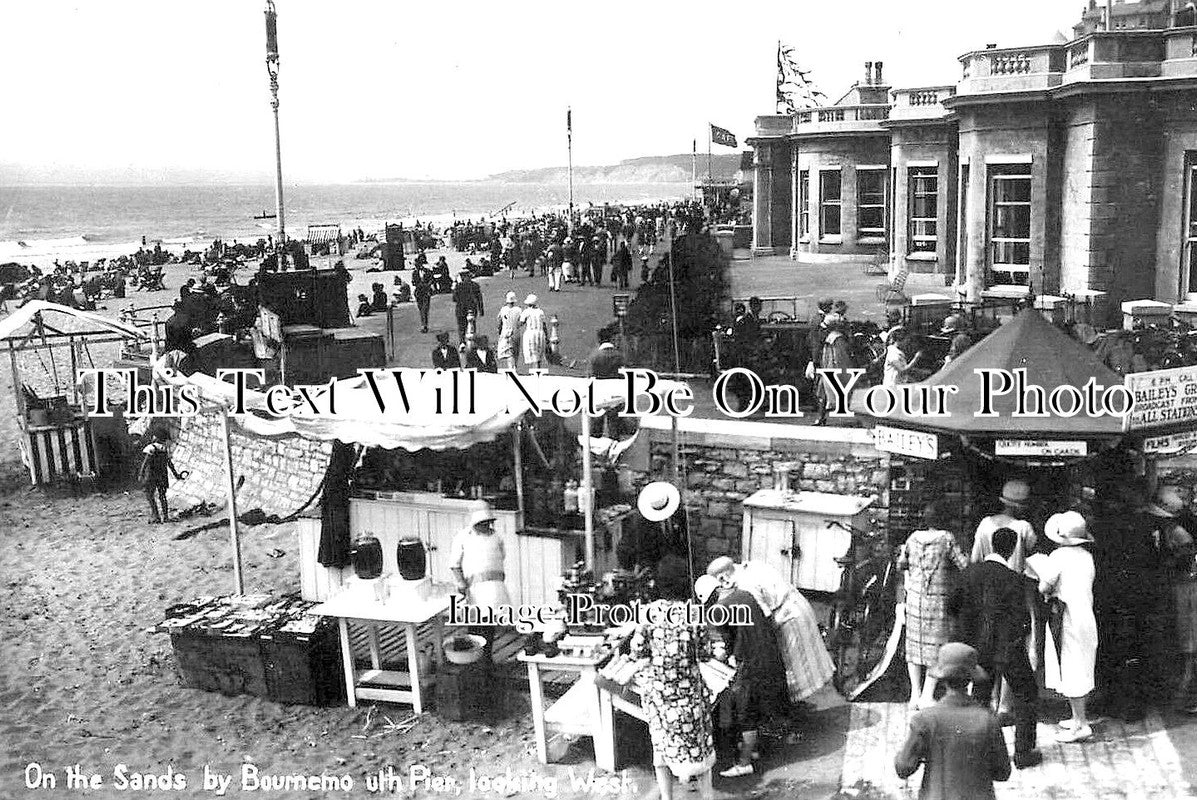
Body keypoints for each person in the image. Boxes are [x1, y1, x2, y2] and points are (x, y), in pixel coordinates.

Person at [951, 527, 1043, 769]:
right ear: (1012, 549)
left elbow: (952, 605)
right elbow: (1022, 619)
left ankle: (977, 751)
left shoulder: (969, 573)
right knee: (1026, 694)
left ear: (991, 545)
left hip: (978, 649)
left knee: (980, 696)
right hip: (1007, 648)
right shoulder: (1013, 579)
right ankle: (1023, 753)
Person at [628, 554, 716, 800]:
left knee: (662, 749)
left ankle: (667, 797)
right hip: (690, 696)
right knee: (700, 750)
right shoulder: (694, 615)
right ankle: (707, 797)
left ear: (659, 583)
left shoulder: (648, 613)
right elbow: (705, 653)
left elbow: (637, 650)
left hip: (660, 696)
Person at [706, 557, 835, 705]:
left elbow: (764, 618)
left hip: (789, 616)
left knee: (791, 665)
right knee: (800, 663)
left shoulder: (745, 585)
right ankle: (791, 705)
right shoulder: (751, 565)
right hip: (797, 604)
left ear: (723, 577)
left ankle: (790, 707)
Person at [697, 573, 788, 779]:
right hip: (771, 657)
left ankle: (744, 763)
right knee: (758, 707)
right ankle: (752, 749)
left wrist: (721, 654)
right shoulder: (744, 595)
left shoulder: (719, 611)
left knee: (746, 714)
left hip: (752, 664)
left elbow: (725, 648)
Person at [894, 642, 1011, 800]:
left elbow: (903, 768)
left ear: (943, 679)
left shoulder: (924, 720)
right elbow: (1002, 772)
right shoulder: (989, 721)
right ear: (971, 679)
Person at [1029, 510, 1098, 743]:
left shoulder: (1058, 557)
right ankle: (1077, 715)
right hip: (1086, 615)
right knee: (1083, 663)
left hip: (1067, 616)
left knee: (1071, 666)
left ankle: (1081, 724)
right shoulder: (1087, 556)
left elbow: (1044, 587)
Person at [899, 501, 970, 709]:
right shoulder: (947, 539)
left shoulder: (912, 538)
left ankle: (915, 694)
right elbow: (963, 565)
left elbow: (901, 564)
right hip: (938, 600)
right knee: (936, 646)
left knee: (914, 645)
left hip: (915, 598)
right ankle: (927, 696)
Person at [1145, 487, 1197, 713]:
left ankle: (1186, 696)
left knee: (1187, 646)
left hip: (1184, 594)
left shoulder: (1177, 534)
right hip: (1179, 592)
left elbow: (1185, 557)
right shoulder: (1169, 532)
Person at [449, 501, 511, 662]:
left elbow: (501, 557)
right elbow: (454, 565)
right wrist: (461, 583)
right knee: (476, 626)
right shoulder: (463, 537)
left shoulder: (496, 536)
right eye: (481, 523)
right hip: (475, 589)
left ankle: (487, 658)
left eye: (487, 522)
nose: (485, 525)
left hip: (494, 588)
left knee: (489, 625)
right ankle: (474, 659)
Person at [137, 429, 187, 524]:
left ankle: (156, 516)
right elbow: (170, 464)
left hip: (151, 476)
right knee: (162, 496)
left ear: (156, 437)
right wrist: (177, 475)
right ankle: (166, 517)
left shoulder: (151, 448)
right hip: (162, 476)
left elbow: (145, 462)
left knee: (149, 495)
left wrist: (141, 474)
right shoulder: (164, 449)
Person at [814, 318, 854, 426]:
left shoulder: (833, 338)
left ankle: (821, 417)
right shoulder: (836, 338)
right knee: (824, 393)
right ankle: (821, 417)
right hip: (831, 368)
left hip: (829, 368)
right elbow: (839, 357)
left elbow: (836, 356)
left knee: (824, 394)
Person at [452, 270, 484, 343]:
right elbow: (479, 299)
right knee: (472, 325)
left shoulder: (458, 286)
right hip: (472, 308)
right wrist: (481, 310)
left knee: (461, 327)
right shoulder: (475, 285)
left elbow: (454, 299)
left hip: (460, 309)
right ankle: (473, 341)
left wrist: (454, 286)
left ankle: (462, 342)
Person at [519, 295, 548, 373]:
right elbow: (544, 325)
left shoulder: (526, 312)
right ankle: (537, 370)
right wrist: (547, 336)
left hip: (530, 334)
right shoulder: (540, 311)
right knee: (538, 355)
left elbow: (521, 323)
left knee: (533, 354)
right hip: (540, 333)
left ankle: (535, 372)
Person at [494, 291, 522, 371]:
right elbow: (521, 321)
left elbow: (499, 321)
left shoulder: (503, 310)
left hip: (505, 332)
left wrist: (499, 330)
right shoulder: (518, 310)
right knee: (515, 351)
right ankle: (514, 367)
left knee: (508, 352)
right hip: (515, 332)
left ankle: (511, 368)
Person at [412, 265, 433, 332]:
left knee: (425, 309)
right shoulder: (414, 273)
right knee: (421, 309)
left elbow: (431, 280)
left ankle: (424, 325)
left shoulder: (428, 271)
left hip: (426, 292)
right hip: (419, 292)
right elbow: (414, 282)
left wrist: (427, 286)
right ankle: (423, 324)